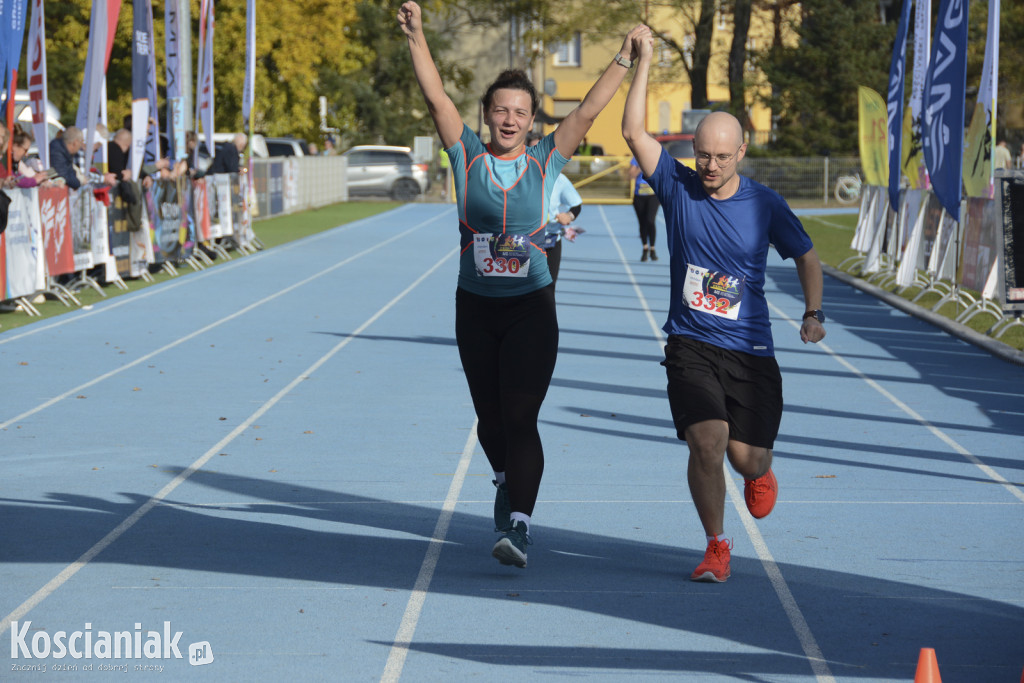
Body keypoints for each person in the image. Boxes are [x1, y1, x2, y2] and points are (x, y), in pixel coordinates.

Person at [400, 0, 649, 568]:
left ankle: (520, 525)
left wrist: (623, 58)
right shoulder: (464, 156)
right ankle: (505, 482)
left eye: (520, 112)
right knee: (489, 420)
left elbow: (587, 110)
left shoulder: (544, 162)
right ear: (487, 115)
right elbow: (436, 95)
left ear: (532, 121)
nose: (510, 119)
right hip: (475, 308)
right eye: (501, 110)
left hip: (531, 307)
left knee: (520, 415)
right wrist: (416, 35)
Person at [622, 30, 826, 583]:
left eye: (720, 156)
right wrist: (644, 63)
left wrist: (813, 313)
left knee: (745, 458)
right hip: (690, 344)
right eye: (701, 154)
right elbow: (633, 130)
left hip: (750, 350)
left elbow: (807, 257)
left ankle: (762, 470)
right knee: (707, 442)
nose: (709, 166)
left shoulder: (765, 204)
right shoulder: (676, 186)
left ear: (741, 152)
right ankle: (716, 544)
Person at [528, 132, 582, 285]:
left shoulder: (559, 180)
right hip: (522, 242)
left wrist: (569, 216)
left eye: (541, 150)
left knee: (547, 289)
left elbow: (576, 205)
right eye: (533, 150)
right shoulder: (516, 177)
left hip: (549, 240)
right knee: (521, 292)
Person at [629, 156, 659, 261]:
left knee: (650, 220)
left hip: (653, 195)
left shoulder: (655, 156)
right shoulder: (636, 159)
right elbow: (631, 175)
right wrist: (641, 166)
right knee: (642, 223)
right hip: (639, 196)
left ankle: (653, 249)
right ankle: (645, 248)